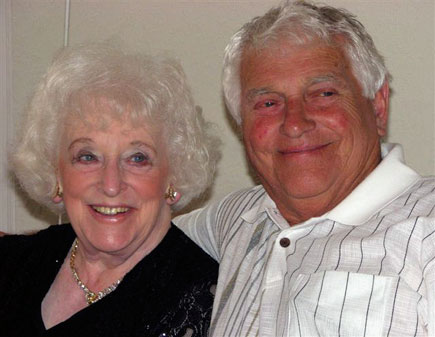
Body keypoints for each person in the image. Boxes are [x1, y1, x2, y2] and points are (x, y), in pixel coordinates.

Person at [174, 1, 435, 336]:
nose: (294, 123)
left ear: (378, 105)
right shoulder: (240, 217)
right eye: (268, 103)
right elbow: (134, 236)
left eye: (324, 93)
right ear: (242, 123)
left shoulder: (427, 231)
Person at [0, 43, 220, 336]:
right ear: (57, 174)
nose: (111, 184)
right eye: (87, 156)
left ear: (174, 175)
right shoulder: (12, 263)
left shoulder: (198, 301)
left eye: (137, 158)